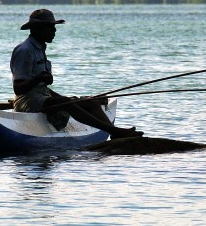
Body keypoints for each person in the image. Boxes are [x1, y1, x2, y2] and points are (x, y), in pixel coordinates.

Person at [10, 8, 142, 139]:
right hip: (27, 102)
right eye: (51, 27)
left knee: (91, 102)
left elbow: (41, 89)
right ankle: (116, 132)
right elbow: (18, 88)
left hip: (40, 99)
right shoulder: (25, 50)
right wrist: (39, 79)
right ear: (38, 28)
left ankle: (114, 133)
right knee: (67, 103)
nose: (55, 30)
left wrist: (68, 98)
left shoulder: (39, 49)